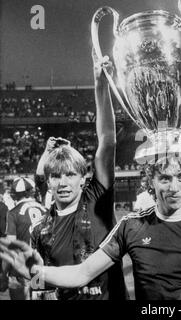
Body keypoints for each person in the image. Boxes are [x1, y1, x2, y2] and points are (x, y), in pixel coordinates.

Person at [0, 153, 181, 300]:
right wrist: (36, 271)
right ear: (151, 182)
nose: (173, 187)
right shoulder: (131, 225)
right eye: (164, 179)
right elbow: (82, 273)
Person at [24, 50, 128, 300]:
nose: (63, 182)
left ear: (83, 178)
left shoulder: (97, 198)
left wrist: (100, 85)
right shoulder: (39, 229)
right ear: (48, 181)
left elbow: (108, 141)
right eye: (56, 176)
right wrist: (38, 294)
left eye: (70, 175)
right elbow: (37, 275)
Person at [4, 177, 46, 300]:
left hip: (20, 271)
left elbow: (11, 246)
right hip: (40, 269)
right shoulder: (46, 210)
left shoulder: (13, 213)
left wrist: (3, 272)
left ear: (14, 195)